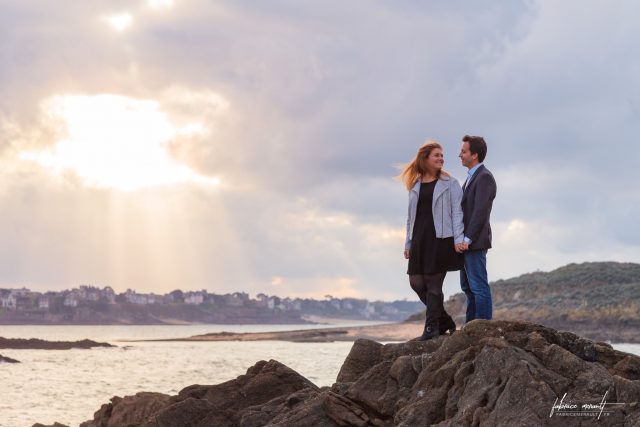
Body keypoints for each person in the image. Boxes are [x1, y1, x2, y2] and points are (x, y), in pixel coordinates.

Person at [400, 140, 465, 340]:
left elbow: (457, 213)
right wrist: (408, 242)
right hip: (419, 239)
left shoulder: (450, 183)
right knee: (416, 283)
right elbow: (411, 216)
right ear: (425, 158)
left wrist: (458, 238)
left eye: (442, 155)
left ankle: (431, 329)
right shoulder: (415, 185)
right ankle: (444, 320)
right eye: (437, 155)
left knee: (434, 285)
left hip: (441, 238)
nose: (441, 159)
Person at [458, 135, 497, 322]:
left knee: (479, 286)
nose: (460, 155)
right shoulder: (471, 178)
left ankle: (482, 328)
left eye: (464, 152)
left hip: (474, 242)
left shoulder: (484, 177)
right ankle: (471, 325)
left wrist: (467, 239)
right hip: (466, 243)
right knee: (467, 287)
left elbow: (481, 211)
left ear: (474, 155)